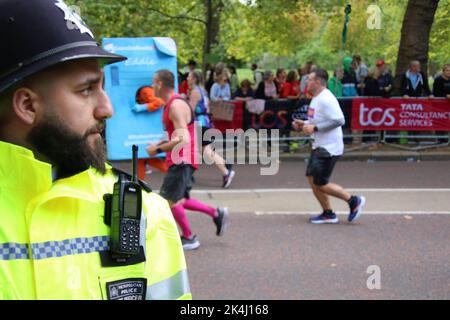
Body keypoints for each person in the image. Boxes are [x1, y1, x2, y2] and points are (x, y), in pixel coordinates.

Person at [0, 0, 190, 300]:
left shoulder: (146, 212)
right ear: (27, 105)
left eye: (102, 87)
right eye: (86, 90)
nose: (107, 108)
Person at [146, 70, 230, 251]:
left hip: (182, 159)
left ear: (160, 84)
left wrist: (158, 149)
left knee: (168, 200)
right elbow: (177, 134)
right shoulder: (173, 103)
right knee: (181, 199)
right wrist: (161, 143)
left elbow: (182, 138)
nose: (152, 86)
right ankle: (216, 213)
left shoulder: (175, 106)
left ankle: (189, 237)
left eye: (153, 82)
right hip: (184, 158)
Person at [291, 69, 366, 224]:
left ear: (318, 82)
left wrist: (315, 128)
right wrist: (304, 124)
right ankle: (328, 213)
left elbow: (339, 120)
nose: (307, 82)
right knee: (312, 179)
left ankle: (353, 200)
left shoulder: (326, 98)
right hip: (319, 145)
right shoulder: (316, 98)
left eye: (310, 79)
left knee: (320, 182)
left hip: (328, 147)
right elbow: (318, 120)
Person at [187, 71, 236, 188]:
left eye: (189, 76)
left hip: (198, 122)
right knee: (203, 150)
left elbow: (190, 110)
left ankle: (226, 172)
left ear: (194, 79)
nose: (187, 78)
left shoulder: (195, 92)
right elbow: (207, 107)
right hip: (205, 121)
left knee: (202, 150)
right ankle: (224, 165)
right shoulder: (203, 91)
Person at [132, 86, 169, 178]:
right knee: (142, 158)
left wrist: (143, 107)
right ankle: (139, 184)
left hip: (148, 131)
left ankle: (139, 184)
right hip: (141, 131)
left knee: (143, 157)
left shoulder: (145, 90)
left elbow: (160, 101)